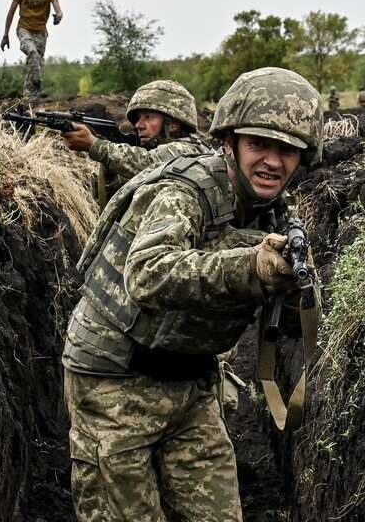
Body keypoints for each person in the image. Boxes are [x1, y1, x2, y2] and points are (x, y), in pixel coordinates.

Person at [62, 67, 323, 521]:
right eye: (259, 144)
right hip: (114, 383)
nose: (272, 162)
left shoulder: (276, 214)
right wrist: (249, 265)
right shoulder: (185, 192)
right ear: (230, 142)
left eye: (287, 150)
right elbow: (146, 274)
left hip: (190, 381)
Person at [61, 80, 211, 186]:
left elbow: (148, 162)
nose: (139, 125)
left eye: (148, 117)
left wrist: (94, 145)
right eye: (138, 118)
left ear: (172, 124)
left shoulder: (189, 150)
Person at [1, 0, 62, 98]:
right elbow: (11, 12)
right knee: (33, 53)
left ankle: (28, 98)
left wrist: (59, 16)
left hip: (41, 33)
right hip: (24, 29)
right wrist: (5, 35)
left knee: (36, 65)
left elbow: (58, 8)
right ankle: (39, 85)